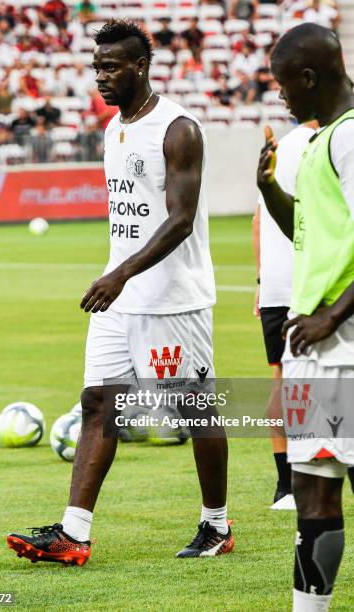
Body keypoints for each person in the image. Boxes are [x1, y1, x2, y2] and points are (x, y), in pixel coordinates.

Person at [7, 19, 232, 565]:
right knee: (98, 403)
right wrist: (117, 276)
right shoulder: (115, 129)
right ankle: (74, 532)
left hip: (171, 299)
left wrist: (121, 273)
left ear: (141, 67)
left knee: (194, 411)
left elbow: (179, 220)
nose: (101, 77)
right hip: (120, 297)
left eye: (111, 67)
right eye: (96, 66)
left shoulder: (178, 128)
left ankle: (217, 525)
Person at [257, 23, 354, 611]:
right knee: (314, 492)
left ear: (311, 78)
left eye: (285, 84)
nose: (282, 97)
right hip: (315, 347)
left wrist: (331, 317)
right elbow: (310, 231)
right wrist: (270, 188)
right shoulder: (322, 141)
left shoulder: (350, 137)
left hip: (343, 341)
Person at [253, 120, 317, 510]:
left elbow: (259, 220)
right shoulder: (335, 139)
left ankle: (286, 486)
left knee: (281, 377)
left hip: (276, 282)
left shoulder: (280, 146)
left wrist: (262, 281)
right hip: (317, 279)